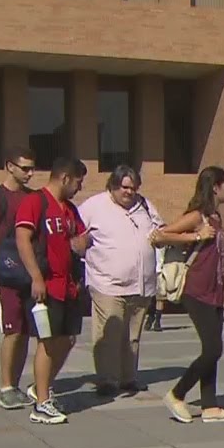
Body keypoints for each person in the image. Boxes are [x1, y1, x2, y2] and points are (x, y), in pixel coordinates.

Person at [152, 166, 224, 423]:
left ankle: (210, 406)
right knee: (213, 349)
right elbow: (160, 236)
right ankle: (177, 393)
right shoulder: (198, 216)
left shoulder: (216, 217)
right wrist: (196, 235)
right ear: (216, 187)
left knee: (212, 348)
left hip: (215, 292)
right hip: (197, 291)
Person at [14, 157, 91, 425]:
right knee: (46, 342)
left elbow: (82, 237)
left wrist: (83, 242)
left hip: (69, 286)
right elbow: (23, 239)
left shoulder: (69, 210)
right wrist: (36, 277)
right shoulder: (36, 202)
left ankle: (42, 386)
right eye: (78, 182)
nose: (80, 188)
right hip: (48, 284)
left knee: (67, 339)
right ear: (65, 178)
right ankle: (41, 403)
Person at [77, 165, 164, 396]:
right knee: (109, 335)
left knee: (132, 336)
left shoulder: (144, 205)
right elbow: (74, 236)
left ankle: (128, 377)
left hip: (141, 285)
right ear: (113, 186)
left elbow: (161, 230)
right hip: (107, 284)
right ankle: (107, 379)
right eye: (125, 188)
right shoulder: (93, 207)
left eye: (133, 188)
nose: (129, 192)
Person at [0, 146, 38, 410]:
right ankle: (5, 386)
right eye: (25, 168)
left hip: (29, 274)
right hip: (6, 274)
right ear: (9, 166)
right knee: (12, 331)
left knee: (25, 332)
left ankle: (15, 384)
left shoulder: (33, 198)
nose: (30, 173)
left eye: (33, 168)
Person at [144, 247, 166, 332]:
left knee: (160, 297)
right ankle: (151, 316)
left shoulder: (163, 242)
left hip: (159, 270)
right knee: (150, 297)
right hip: (149, 270)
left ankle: (157, 321)